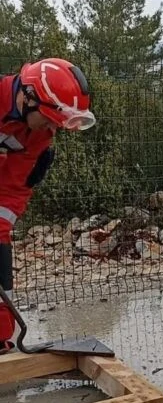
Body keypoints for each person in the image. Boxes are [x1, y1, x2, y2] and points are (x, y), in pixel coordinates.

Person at [0, 58, 96, 351]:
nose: (51, 130)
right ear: (27, 97)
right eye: (49, 119)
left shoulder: (38, 134)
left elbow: (12, 191)